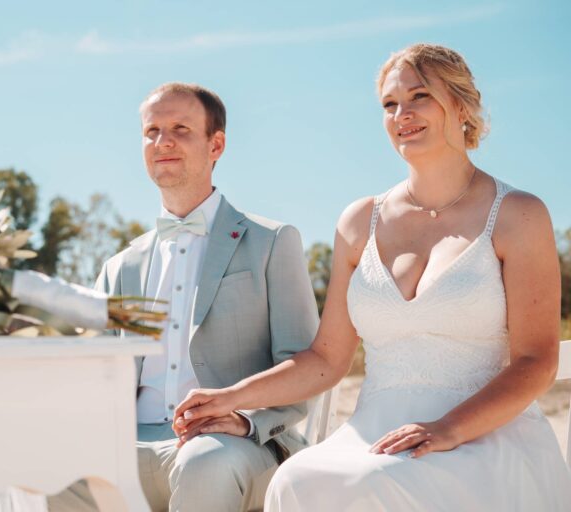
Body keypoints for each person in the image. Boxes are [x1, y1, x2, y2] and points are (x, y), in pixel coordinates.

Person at [174, 44, 571, 511]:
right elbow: (326, 358)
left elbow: (535, 361)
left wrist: (447, 429)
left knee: (380, 481)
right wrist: (231, 398)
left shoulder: (518, 214)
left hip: (483, 434)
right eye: (389, 104)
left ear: (461, 105)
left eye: (419, 96)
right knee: (298, 478)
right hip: (373, 432)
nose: (402, 114)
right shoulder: (360, 220)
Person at [49, 82, 319, 512]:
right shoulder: (121, 267)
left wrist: (246, 419)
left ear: (217, 145)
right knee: (49, 467)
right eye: (151, 130)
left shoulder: (270, 242)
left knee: (204, 461)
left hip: (238, 443)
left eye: (180, 128)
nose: (163, 141)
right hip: (131, 444)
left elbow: (304, 364)